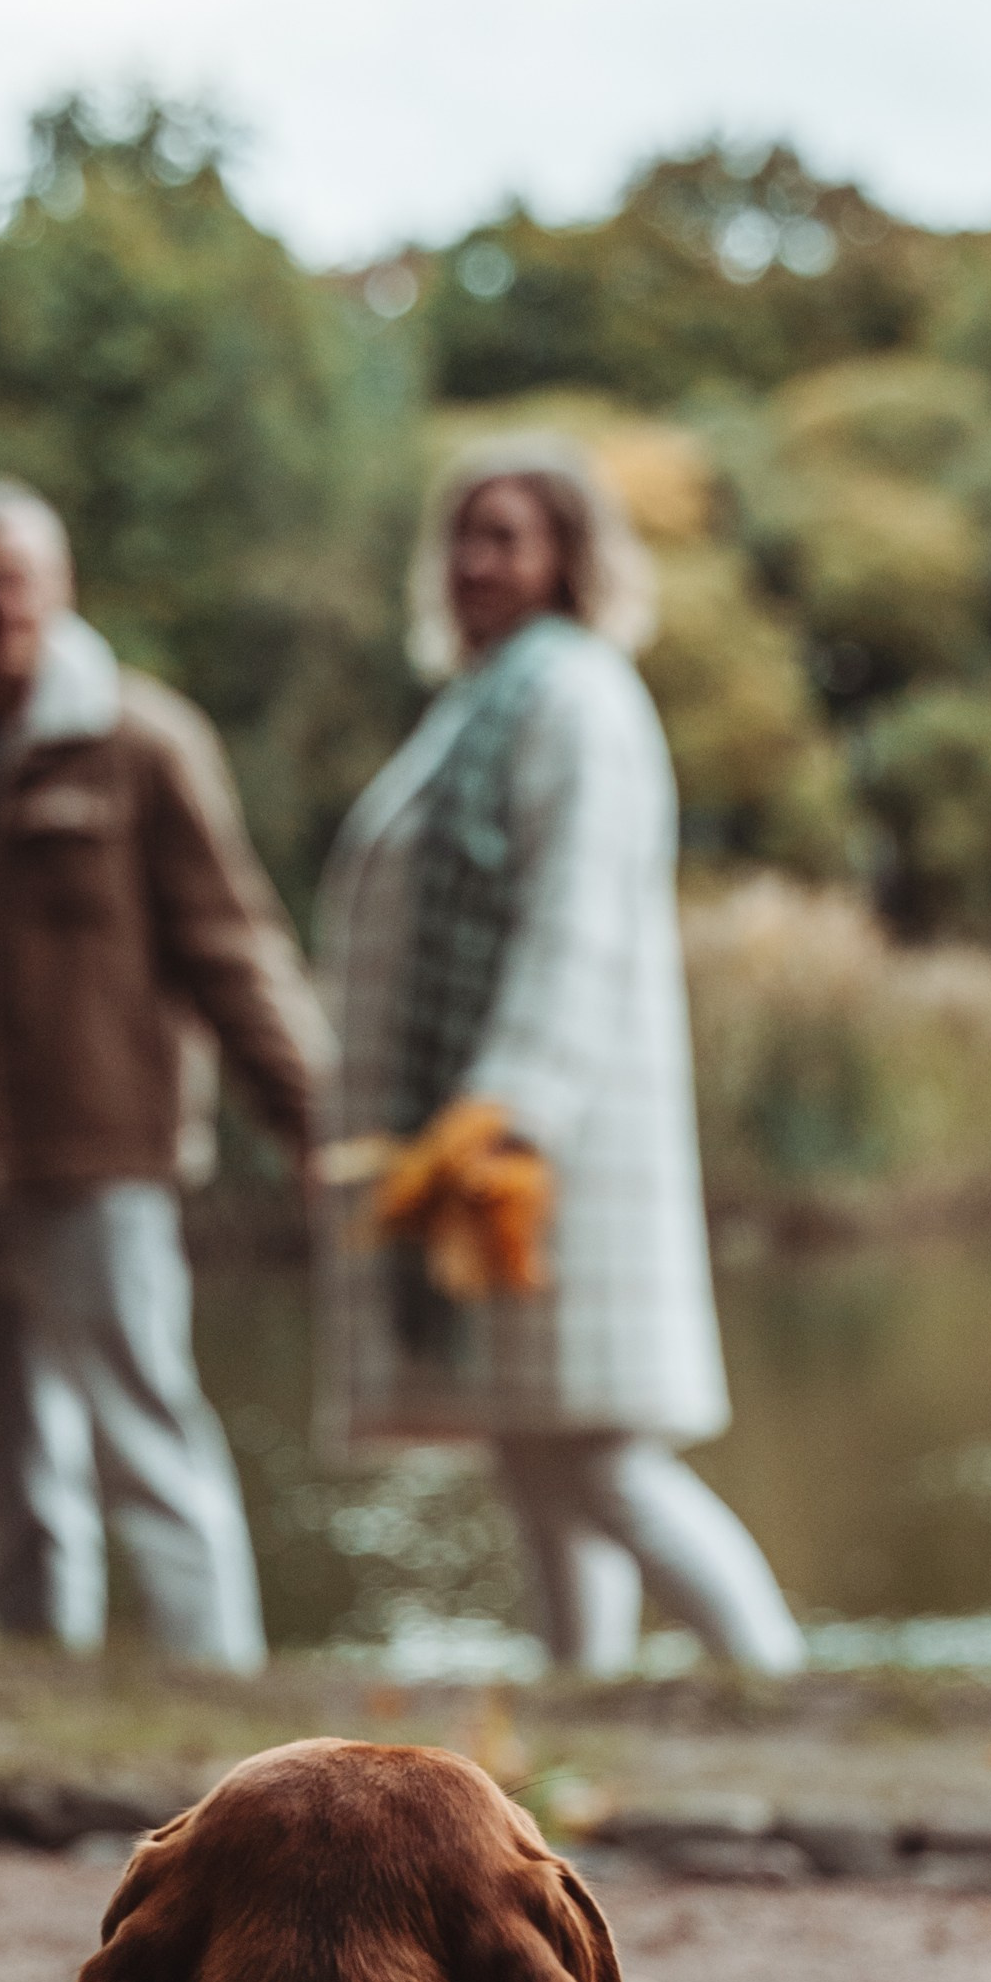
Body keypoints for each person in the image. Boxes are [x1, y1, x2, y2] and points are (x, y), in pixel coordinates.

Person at [315, 436, 804, 1676]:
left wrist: (502, 1115)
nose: (478, 561)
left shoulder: (575, 696)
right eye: (464, 536)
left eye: (508, 536)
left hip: (548, 1139)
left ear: (568, 558)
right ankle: (586, 1698)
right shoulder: (487, 698)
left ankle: (782, 1685)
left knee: (593, 1455)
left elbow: (572, 919)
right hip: (497, 1127)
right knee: (535, 1446)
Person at [0, 475, 325, 1670]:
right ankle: (40, 1709)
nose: (4, 603)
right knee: (1, 1473)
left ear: (59, 585)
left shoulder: (139, 743)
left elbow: (229, 940)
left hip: (95, 1156)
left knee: (145, 1443)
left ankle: (218, 1700)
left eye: (24, 576)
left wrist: (312, 1117)